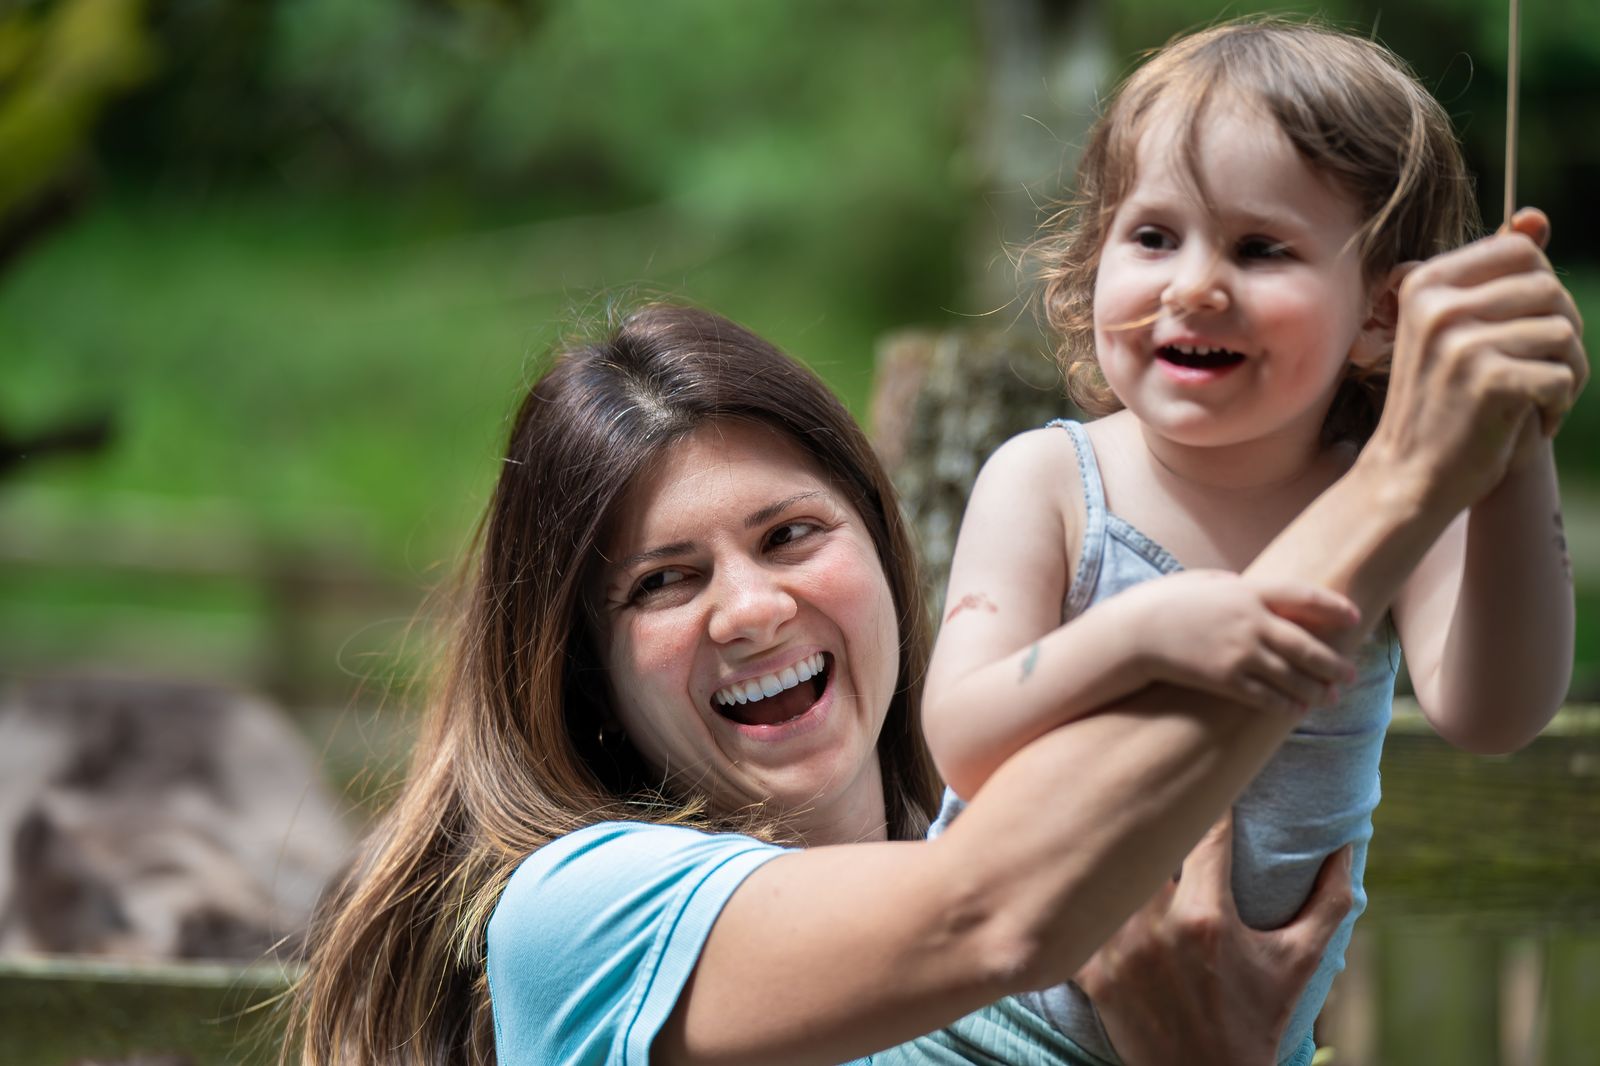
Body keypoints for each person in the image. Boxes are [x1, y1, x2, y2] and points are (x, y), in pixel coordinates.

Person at [921, 17, 1587, 1064]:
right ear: (1094, 257)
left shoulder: (1388, 505)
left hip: (1247, 1036)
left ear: (1382, 312)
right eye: (1151, 236)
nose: (1193, 284)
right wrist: (1141, 635)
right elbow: (962, 731)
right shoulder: (1049, 480)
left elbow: (1492, 711)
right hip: (969, 1027)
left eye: (1260, 247)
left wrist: (1510, 451)